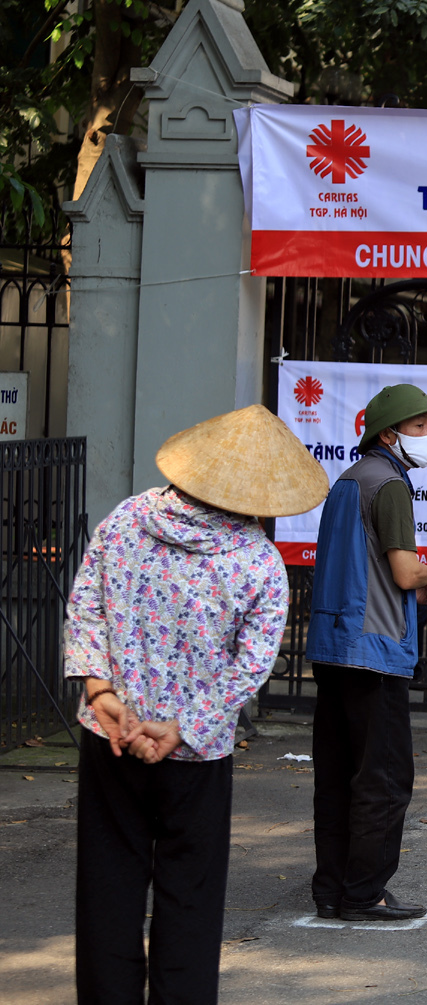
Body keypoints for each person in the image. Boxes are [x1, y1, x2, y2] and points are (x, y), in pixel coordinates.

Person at [68, 405, 327, 1004]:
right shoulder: (258, 561)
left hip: (109, 736)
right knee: (190, 894)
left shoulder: (126, 519)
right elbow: (251, 667)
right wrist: (183, 726)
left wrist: (102, 693)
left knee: (108, 885)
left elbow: (85, 610)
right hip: (195, 750)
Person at [307, 384, 427, 921]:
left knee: (336, 776)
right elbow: (404, 571)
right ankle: (365, 893)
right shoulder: (391, 485)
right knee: (383, 778)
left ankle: (332, 888)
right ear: (389, 433)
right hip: (373, 651)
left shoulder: (348, 480)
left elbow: (377, 571)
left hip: (333, 646)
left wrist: (419, 585)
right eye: (422, 427)